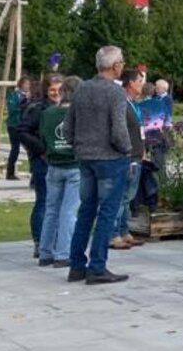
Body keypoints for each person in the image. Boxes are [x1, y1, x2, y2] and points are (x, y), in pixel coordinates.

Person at [63, 46, 134, 285]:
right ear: (115, 66)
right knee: (107, 214)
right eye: (121, 62)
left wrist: (78, 146)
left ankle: (76, 265)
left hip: (85, 157)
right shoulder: (115, 93)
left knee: (86, 210)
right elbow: (118, 130)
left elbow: (67, 126)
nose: (122, 66)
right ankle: (97, 266)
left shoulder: (82, 89)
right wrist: (127, 150)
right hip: (110, 159)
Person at [37, 76, 81, 267]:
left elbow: (43, 138)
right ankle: (63, 253)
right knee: (68, 211)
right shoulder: (79, 114)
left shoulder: (48, 113)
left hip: (53, 164)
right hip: (73, 165)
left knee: (51, 210)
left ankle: (45, 252)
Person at [16, 75, 61, 261]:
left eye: (59, 90)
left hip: (60, 160)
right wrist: (42, 149)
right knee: (43, 201)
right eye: (52, 90)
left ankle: (54, 239)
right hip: (42, 160)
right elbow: (22, 131)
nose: (56, 94)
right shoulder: (37, 109)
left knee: (58, 203)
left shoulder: (65, 107)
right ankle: (39, 241)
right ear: (45, 90)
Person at [110, 69, 148, 251]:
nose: (141, 85)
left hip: (137, 156)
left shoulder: (132, 104)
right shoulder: (122, 104)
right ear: (131, 83)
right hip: (128, 157)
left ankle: (124, 231)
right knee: (122, 197)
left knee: (128, 197)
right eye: (139, 82)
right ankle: (114, 233)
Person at [135, 80, 174, 222]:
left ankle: (140, 204)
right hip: (158, 141)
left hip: (143, 143)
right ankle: (155, 201)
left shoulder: (138, 106)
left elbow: (138, 126)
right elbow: (168, 124)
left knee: (142, 173)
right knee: (158, 170)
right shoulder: (161, 105)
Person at [5, 76, 32, 180]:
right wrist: (22, 105)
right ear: (20, 85)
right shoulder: (14, 95)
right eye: (25, 84)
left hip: (26, 125)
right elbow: (12, 109)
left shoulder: (30, 96)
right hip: (14, 124)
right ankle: (10, 172)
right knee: (15, 149)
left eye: (28, 84)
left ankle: (32, 171)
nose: (27, 86)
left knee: (30, 148)